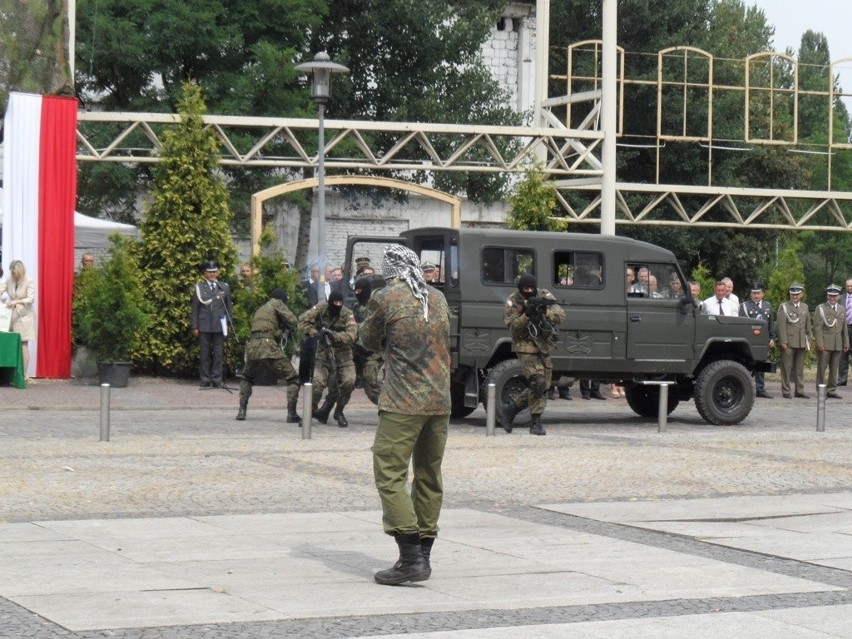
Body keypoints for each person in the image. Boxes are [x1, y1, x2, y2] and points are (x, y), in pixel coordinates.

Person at [358, 244, 451, 586]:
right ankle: (423, 556)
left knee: (389, 472)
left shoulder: (387, 296)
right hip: (441, 401)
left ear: (389, 268)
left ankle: (410, 555)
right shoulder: (437, 298)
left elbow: (367, 340)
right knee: (428, 476)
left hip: (402, 402)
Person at [502, 273, 566, 435]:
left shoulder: (544, 295)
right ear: (520, 288)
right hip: (525, 346)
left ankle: (510, 410)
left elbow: (561, 315)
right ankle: (535, 423)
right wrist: (526, 314)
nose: (529, 291)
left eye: (531, 288)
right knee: (538, 381)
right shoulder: (513, 300)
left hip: (544, 346)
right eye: (525, 288)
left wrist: (546, 313)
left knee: (542, 386)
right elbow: (513, 326)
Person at [236, 289, 302, 422]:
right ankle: (292, 414)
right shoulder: (277, 303)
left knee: (247, 377)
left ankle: (242, 411)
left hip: (253, 346)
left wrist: (280, 329)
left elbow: (266, 329)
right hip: (267, 346)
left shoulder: (262, 308)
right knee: (293, 378)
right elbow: (293, 321)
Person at [298, 290, 357, 427]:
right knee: (317, 385)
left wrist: (333, 335)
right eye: (334, 303)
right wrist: (316, 333)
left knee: (349, 381)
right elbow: (302, 322)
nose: (337, 305)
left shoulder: (347, 314)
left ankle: (339, 411)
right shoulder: (320, 309)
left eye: (339, 303)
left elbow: (352, 335)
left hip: (343, 355)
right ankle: (309, 412)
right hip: (323, 354)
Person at [191, 260, 233, 389]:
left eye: (214, 272)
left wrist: (229, 324)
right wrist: (194, 326)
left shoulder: (224, 287)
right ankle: (204, 379)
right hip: (203, 325)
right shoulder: (199, 288)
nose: (212, 274)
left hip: (219, 325)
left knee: (218, 354)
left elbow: (228, 307)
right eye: (209, 272)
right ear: (205, 273)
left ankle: (216, 379)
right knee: (204, 354)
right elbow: (195, 309)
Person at [739, 282, 776, 398]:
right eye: (754, 293)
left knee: (761, 364)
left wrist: (772, 337)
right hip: (749, 341)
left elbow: (771, 324)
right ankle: (745, 388)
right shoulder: (745, 306)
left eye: (758, 293)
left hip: (763, 340)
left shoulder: (767, 306)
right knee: (747, 364)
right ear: (750, 294)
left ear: (762, 294)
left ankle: (760, 389)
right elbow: (742, 324)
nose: (756, 296)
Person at [813, 284, 849, 399]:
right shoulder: (821, 309)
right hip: (825, 343)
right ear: (827, 296)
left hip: (837, 343)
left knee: (834, 368)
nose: (832, 298)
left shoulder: (842, 308)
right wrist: (819, 343)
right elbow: (817, 328)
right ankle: (821, 390)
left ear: (838, 297)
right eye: (830, 296)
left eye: (835, 296)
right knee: (821, 368)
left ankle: (832, 390)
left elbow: (844, 328)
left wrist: (846, 342)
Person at [0, 260, 35, 375]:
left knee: (23, 343)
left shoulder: (28, 281)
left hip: (25, 317)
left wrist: (16, 301)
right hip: (12, 316)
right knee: (10, 342)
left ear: (20, 272)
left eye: (15, 273)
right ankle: (10, 374)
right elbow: (2, 288)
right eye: (12, 273)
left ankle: (23, 375)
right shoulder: (10, 279)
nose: (13, 275)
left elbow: (31, 299)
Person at [777, 283, 811, 399]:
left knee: (799, 369)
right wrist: (783, 341)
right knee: (786, 368)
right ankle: (786, 391)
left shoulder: (805, 307)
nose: (794, 297)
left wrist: (809, 339)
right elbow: (781, 326)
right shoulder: (784, 307)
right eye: (792, 294)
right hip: (789, 343)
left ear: (801, 295)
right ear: (790, 294)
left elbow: (808, 325)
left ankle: (799, 391)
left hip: (801, 342)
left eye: (797, 294)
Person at [352, 277, 383, 405]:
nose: (358, 293)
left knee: (370, 382)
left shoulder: (375, 305)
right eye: (356, 290)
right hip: (358, 349)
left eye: (360, 290)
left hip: (375, 351)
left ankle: (387, 408)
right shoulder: (356, 306)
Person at [838, 278, 852, 386]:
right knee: (843, 355)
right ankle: (842, 380)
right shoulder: (840, 298)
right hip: (844, 329)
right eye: (847, 286)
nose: (849, 288)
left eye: (851, 286)